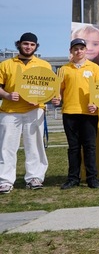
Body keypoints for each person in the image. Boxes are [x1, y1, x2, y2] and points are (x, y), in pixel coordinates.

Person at [0, 33, 53, 194]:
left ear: (36, 46)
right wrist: (7, 95)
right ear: (19, 45)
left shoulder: (44, 65)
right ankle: (5, 180)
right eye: (25, 44)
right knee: (6, 147)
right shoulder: (6, 64)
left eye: (31, 44)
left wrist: (39, 99)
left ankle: (35, 177)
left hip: (34, 109)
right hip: (10, 111)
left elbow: (50, 89)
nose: (28, 47)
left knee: (34, 145)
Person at [54, 38, 99, 189]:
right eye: (75, 49)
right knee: (73, 147)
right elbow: (58, 90)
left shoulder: (94, 68)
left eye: (81, 48)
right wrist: (56, 99)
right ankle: (73, 178)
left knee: (90, 147)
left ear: (85, 50)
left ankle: (92, 178)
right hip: (70, 112)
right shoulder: (63, 69)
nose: (78, 51)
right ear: (71, 51)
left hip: (89, 113)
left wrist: (96, 104)